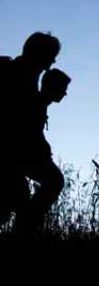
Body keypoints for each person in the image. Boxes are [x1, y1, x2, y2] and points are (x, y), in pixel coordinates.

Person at [0, 32, 61, 225]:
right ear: (39, 53)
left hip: (21, 154)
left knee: (13, 202)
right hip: (12, 153)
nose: (52, 60)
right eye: (50, 54)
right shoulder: (18, 75)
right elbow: (18, 120)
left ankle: (25, 232)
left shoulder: (27, 75)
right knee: (17, 199)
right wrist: (45, 98)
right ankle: (25, 235)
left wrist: (45, 99)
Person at [13, 68, 70, 235]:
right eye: (63, 88)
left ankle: (25, 226)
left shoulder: (39, 104)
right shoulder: (36, 104)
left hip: (29, 158)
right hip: (26, 158)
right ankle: (25, 227)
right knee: (54, 181)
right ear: (53, 87)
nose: (65, 93)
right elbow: (27, 133)